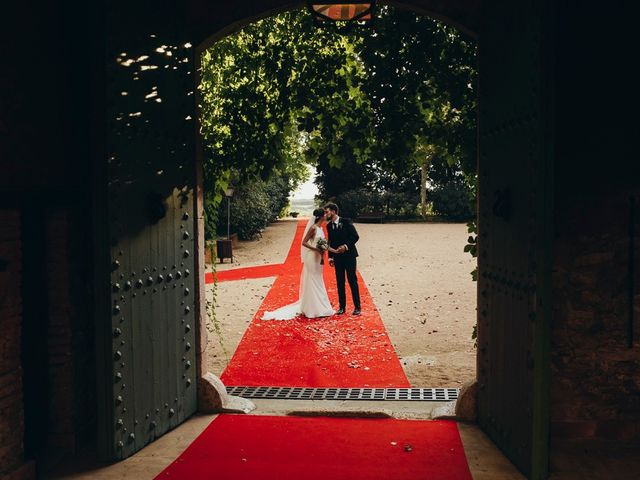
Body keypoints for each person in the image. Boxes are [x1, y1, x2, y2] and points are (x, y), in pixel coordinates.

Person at [262, 208, 337, 320]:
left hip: (318, 258)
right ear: (321, 216)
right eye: (325, 213)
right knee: (312, 279)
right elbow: (304, 242)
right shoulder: (313, 228)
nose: (327, 215)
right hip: (312, 257)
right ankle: (312, 309)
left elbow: (324, 245)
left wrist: (334, 251)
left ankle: (320, 306)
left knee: (318, 279)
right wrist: (316, 249)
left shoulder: (321, 228)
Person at [324, 203, 361, 315]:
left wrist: (345, 246)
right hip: (337, 258)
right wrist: (330, 257)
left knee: (352, 281)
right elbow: (330, 241)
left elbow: (355, 236)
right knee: (340, 282)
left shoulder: (346, 221)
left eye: (327, 211)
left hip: (350, 256)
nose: (326, 214)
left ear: (334, 211)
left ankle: (357, 307)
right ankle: (342, 307)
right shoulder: (329, 226)